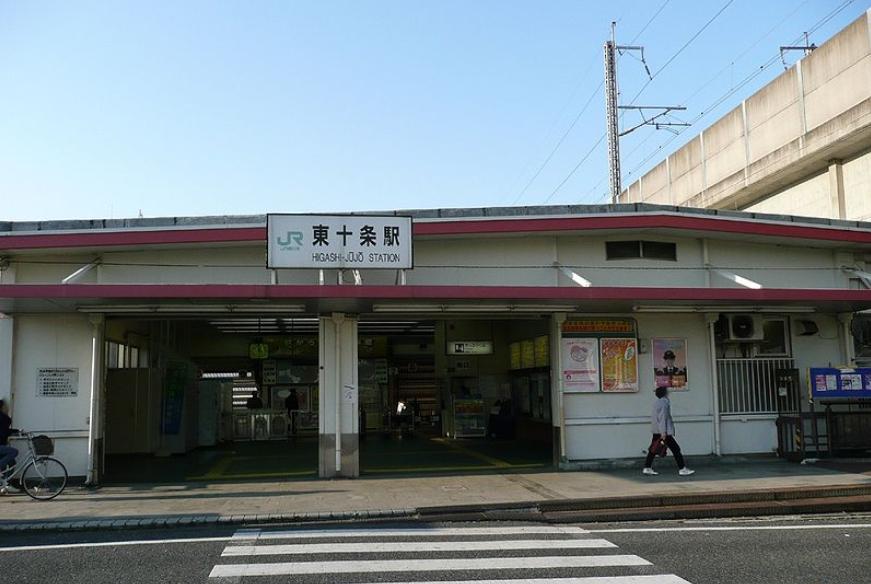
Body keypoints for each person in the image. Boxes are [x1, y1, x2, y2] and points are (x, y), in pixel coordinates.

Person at [643, 387, 694, 476]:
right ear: (664, 393)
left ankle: (647, 467)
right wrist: (663, 432)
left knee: (653, 449)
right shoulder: (664, 403)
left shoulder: (657, 403)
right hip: (663, 431)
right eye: (667, 391)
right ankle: (682, 469)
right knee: (676, 449)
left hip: (656, 430)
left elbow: (658, 418)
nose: (669, 393)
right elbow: (663, 418)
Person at [0, 399, 19, 475]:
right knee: (14, 452)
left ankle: (5, 481)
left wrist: (16, 431)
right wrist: (16, 431)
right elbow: (4, 431)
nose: (8, 408)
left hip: (2, 445)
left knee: (12, 462)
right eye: (6, 407)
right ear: (2, 408)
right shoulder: (2, 417)